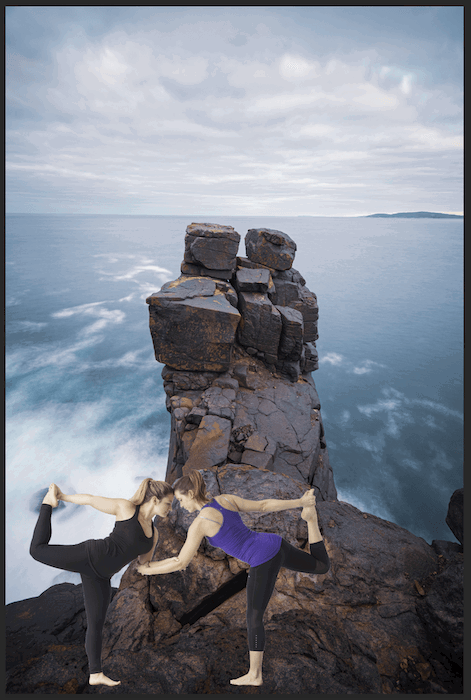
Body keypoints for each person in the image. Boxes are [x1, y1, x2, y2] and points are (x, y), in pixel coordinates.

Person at [137, 470, 330, 687]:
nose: (180, 505)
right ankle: (310, 520)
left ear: (191, 494)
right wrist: (300, 501)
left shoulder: (200, 523)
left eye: (181, 500)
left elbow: (180, 562)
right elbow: (263, 506)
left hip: (262, 558)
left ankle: (255, 675)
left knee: (254, 618)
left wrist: (148, 569)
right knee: (321, 566)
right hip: (274, 544)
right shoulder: (225, 499)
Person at [30, 479, 174, 687]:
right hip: (90, 555)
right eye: (168, 503)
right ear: (154, 500)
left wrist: (175, 562)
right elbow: (91, 500)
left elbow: (144, 566)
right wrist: (62, 497)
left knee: (96, 624)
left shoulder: (153, 535)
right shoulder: (126, 508)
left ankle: (95, 674)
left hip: (101, 576)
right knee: (37, 550)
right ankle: (47, 504)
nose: (170, 508)